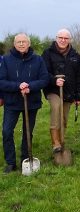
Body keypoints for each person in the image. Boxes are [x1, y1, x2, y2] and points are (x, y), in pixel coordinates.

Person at [0, 33, 48, 173]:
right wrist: (18, 86)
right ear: (14, 44)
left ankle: (25, 159)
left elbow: (44, 79)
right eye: (18, 42)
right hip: (12, 102)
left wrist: (30, 87)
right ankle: (10, 162)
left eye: (24, 42)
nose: (21, 44)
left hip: (31, 101)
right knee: (7, 131)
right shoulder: (6, 60)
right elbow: (1, 81)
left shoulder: (38, 60)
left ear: (29, 43)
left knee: (28, 132)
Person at [42, 28, 80, 153]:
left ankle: (61, 141)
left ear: (69, 40)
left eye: (66, 38)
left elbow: (79, 77)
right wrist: (54, 80)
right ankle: (55, 143)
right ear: (56, 38)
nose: (63, 40)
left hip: (69, 91)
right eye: (61, 38)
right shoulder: (48, 53)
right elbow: (44, 72)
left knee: (64, 118)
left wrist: (78, 96)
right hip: (53, 90)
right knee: (57, 107)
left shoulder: (75, 55)